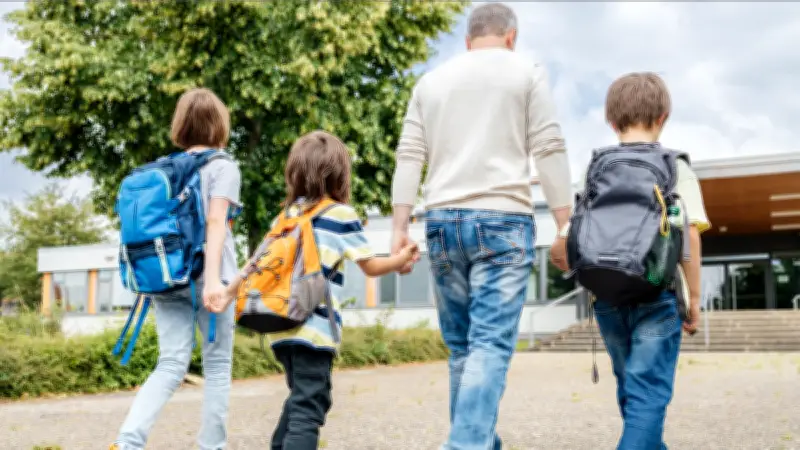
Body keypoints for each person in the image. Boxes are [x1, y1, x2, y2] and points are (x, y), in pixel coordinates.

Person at [390, 3, 574, 449]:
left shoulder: (430, 82)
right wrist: (565, 225)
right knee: (489, 344)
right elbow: (548, 145)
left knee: (462, 349)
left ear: (467, 41)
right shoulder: (526, 71)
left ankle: (480, 441)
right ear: (511, 37)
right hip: (503, 219)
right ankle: (466, 445)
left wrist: (399, 227)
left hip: (442, 222)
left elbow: (410, 154)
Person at [209, 130, 419, 450]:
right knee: (309, 406)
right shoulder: (340, 215)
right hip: (314, 327)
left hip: (281, 323)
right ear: (339, 174)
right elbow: (370, 267)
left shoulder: (287, 216)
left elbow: (255, 260)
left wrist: (227, 293)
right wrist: (400, 259)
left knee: (303, 399)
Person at [577, 72, 708, 449]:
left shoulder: (595, 170)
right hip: (657, 296)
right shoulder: (675, 168)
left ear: (610, 120)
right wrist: (695, 299)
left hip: (607, 300)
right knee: (647, 393)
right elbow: (689, 238)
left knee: (633, 392)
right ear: (663, 116)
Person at [111, 88, 242, 450]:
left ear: (181, 125)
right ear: (219, 125)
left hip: (166, 276)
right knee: (216, 368)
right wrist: (215, 280)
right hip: (209, 279)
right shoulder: (223, 166)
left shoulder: (165, 169)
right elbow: (216, 223)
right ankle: (211, 447)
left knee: (169, 365)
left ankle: (127, 442)